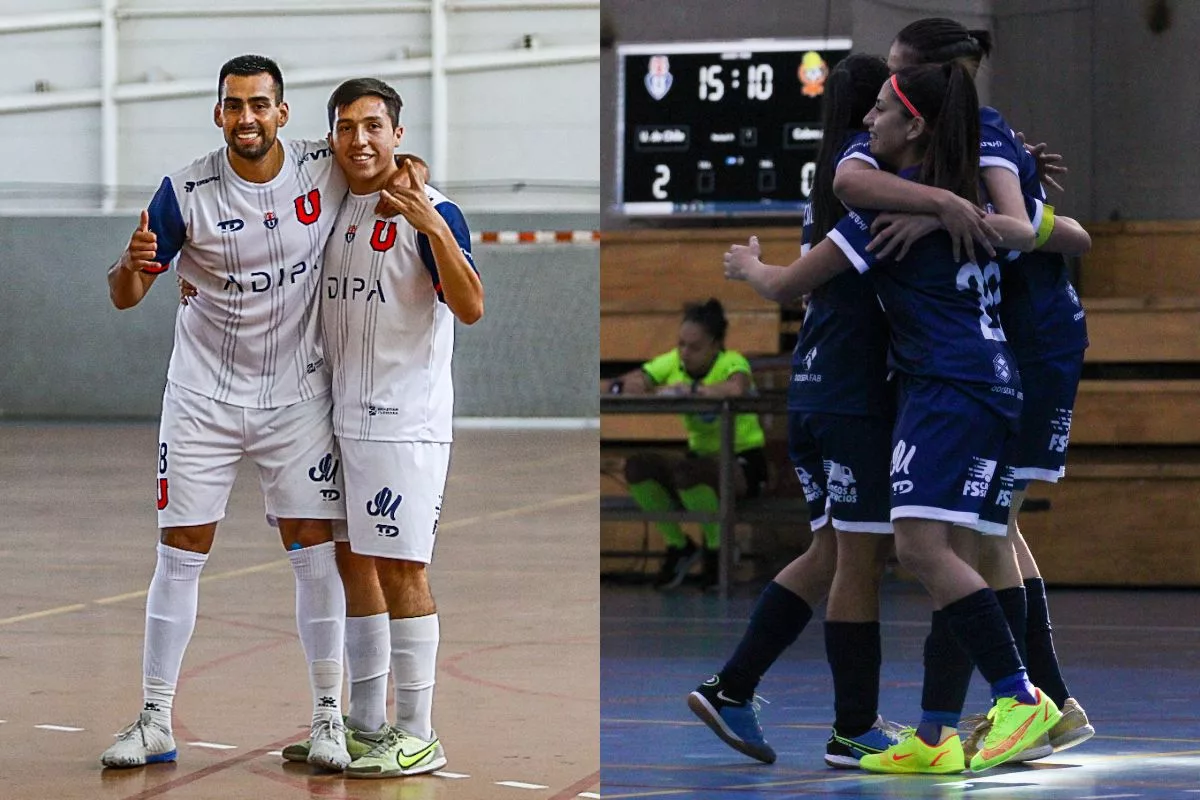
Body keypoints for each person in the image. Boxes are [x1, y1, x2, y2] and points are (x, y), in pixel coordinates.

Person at [724, 62, 1061, 774]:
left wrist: (749, 268)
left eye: (881, 111)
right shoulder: (969, 197)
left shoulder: (879, 208)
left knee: (920, 551)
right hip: (990, 381)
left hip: (950, 386)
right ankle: (938, 737)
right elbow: (1045, 234)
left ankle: (1021, 695)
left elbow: (791, 281)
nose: (867, 122)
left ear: (915, 126)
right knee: (952, 549)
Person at [101, 54, 356, 770]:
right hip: (203, 398)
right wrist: (131, 265)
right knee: (179, 555)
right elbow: (126, 294)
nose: (247, 117)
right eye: (234, 105)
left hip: (298, 399)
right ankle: (155, 718)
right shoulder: (183, 192)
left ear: (282, 113)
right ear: (218, 114)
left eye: (260, 104)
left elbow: (379, 157)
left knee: (315, 557)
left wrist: (414, 167)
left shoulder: (322, 166)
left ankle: (327, 718)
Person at [858, 18, 1094, 762]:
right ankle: (997, 715)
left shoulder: (979, 142)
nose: (874, 105)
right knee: (979, 536)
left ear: (932, 88)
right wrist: (947, 206)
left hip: (1018, 352)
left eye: (893, 82)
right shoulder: (959, 157)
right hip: (1000, 355)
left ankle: (1030, 704)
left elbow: (1046, 232)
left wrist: (958, 214)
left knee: (966, 539)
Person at [687, 54, 903, 769]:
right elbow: (795, 286)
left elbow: (809, 287)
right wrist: (756, 272)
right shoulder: (866, 177)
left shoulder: (831, 179)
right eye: (881, 103)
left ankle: (732, 688)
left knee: (831, 551)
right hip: (850, 395)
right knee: (860, 559)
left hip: (817, 389)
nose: (885, 117)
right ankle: (852, 728)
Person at [281, 77, 483, 779]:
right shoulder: (333, 206)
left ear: (398, 133)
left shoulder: (436, 210)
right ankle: (364, 725)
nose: (359, 139)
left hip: (404, 424)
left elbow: (472, 304)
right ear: (332, 136)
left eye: (374, 126)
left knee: (403, 569)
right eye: (346, 127)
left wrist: (430, 224)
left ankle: (419, 731)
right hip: (336, 418)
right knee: (351, 563)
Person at [608, 299, 767, 591]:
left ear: (716, 345)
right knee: (637, 468)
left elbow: (736, 387)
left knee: (690, 474)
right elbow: (636, 379)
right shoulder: (674, 362)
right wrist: (632, 384)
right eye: (681, 344)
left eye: (694, 347)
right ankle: (679, 546)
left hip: (744, 463)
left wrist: (693, 390)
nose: (685, 353)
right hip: (698, 460)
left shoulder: (731, 362)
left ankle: (718, 551)